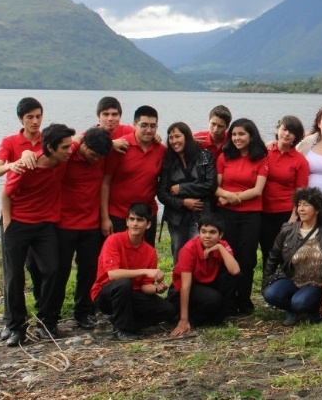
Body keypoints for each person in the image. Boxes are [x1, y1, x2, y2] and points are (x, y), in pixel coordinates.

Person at [0, 123, 74, 346]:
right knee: (15, 277)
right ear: (50, 148)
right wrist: (8, 224)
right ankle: (16, 327)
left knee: (52, 270)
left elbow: (83, 139)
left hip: (45, 225)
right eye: (65, 148)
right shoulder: (27, 166)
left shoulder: (61, 161)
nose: (69, 151)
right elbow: (5, 194)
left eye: (70, 147)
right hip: (18, 223)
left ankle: (46, 320)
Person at [0, 96, 43, 341]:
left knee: (39, 268)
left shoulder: (46, 141)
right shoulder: (10, 142)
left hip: (41, 217)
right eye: (30, 117)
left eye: (38, 116)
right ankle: (13, 324)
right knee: (13, 273)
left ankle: (43, 319)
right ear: (21, 119)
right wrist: (13, 164)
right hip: (14, 216)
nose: (35, 121)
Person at [55, 127, 113, 331]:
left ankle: (83, 312)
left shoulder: (102, 154)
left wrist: (104, 218)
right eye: (93, 155)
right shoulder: (68, 154)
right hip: (65, 223)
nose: (96, 159)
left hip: (91, 223)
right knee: (59, 271)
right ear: (84, 145)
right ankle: (51, 317)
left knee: (88, 271)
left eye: (100, 157)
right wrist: (76, 140)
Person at [91, 203, 176, 341]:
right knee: (123, 283)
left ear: (148, 225)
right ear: (127, 222)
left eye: (140, 220)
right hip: (106, 294)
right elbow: (112, 274)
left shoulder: (149, 251)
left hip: (133, 295)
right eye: (132, 219)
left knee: (168, 310)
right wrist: (144, 271)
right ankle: (123, 330)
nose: (135, 223)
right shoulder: (114, 240)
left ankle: (125, 322)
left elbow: (144, 286)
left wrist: (156, 289)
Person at [215, 118, 268, 315]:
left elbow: (257, 190)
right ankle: (227, 301)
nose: (237, 138)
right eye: (234, 134)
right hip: (227, 215)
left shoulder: (261, 157)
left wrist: (230, 197)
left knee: (247, 258)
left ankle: (244, 301)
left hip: (251, 215)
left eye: (241, 134)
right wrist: (226, 197)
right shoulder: (224, 157)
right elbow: (216, 187)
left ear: (251, 135)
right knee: (228, 255)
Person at [263, 187, 322, 325]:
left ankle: (307, 308)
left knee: (300, 303)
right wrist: (266, 283)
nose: (301, 209)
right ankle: (296, 310)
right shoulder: (287, 230)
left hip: (317, 283)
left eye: (306, 205)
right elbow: (273, 257)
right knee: (271, 294)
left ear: (317, 209)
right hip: (292, 278)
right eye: (299, 205)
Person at [101, 105, 166, 245]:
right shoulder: (121, 147)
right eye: (144, 125)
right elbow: (105, 183)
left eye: (153, 126)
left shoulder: (161, 150)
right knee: (118, 256)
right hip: (118, 214)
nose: (149, 130)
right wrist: (105, 218)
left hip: (147, 214)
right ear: (134, 125)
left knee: (145, 255)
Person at [169, 212, 241, 335]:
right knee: (213, 299)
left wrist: (219, 248)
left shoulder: (222, 245)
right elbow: (185, 286)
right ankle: (188, 318)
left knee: (232, 276)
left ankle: (216, 316)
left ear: (221, 235)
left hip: (207, 283)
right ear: (199, 232)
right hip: (185, 289)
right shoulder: (189, 249)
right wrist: (183, 320)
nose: (207, 236)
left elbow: (235, 270)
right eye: (203, 231)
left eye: (212, 232)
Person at [158, 122, 217, 265]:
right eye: (171, 137)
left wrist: (181, 188)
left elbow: (210, 185)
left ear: (187, 137)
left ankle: (199, 286)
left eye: (178, 136)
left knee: (200, 254)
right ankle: (178, 286)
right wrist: (183, 202)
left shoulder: (205, 156)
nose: (174, 141)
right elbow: (162, 192)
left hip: (202, 214)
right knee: (179, 254)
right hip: (176, 216)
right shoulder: (168, 159)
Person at [262, 116, 310, 268]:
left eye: (292, 132)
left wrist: (294, 216)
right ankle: (267, 288)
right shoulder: (265, 152)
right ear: (278, 130)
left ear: (296, 137)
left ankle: (285, 289)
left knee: (285, 254)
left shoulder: (300, 160)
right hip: (263, 211)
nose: (287, 134)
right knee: (267, 253)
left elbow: (300, 192)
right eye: (284, 129)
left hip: (286, 213)